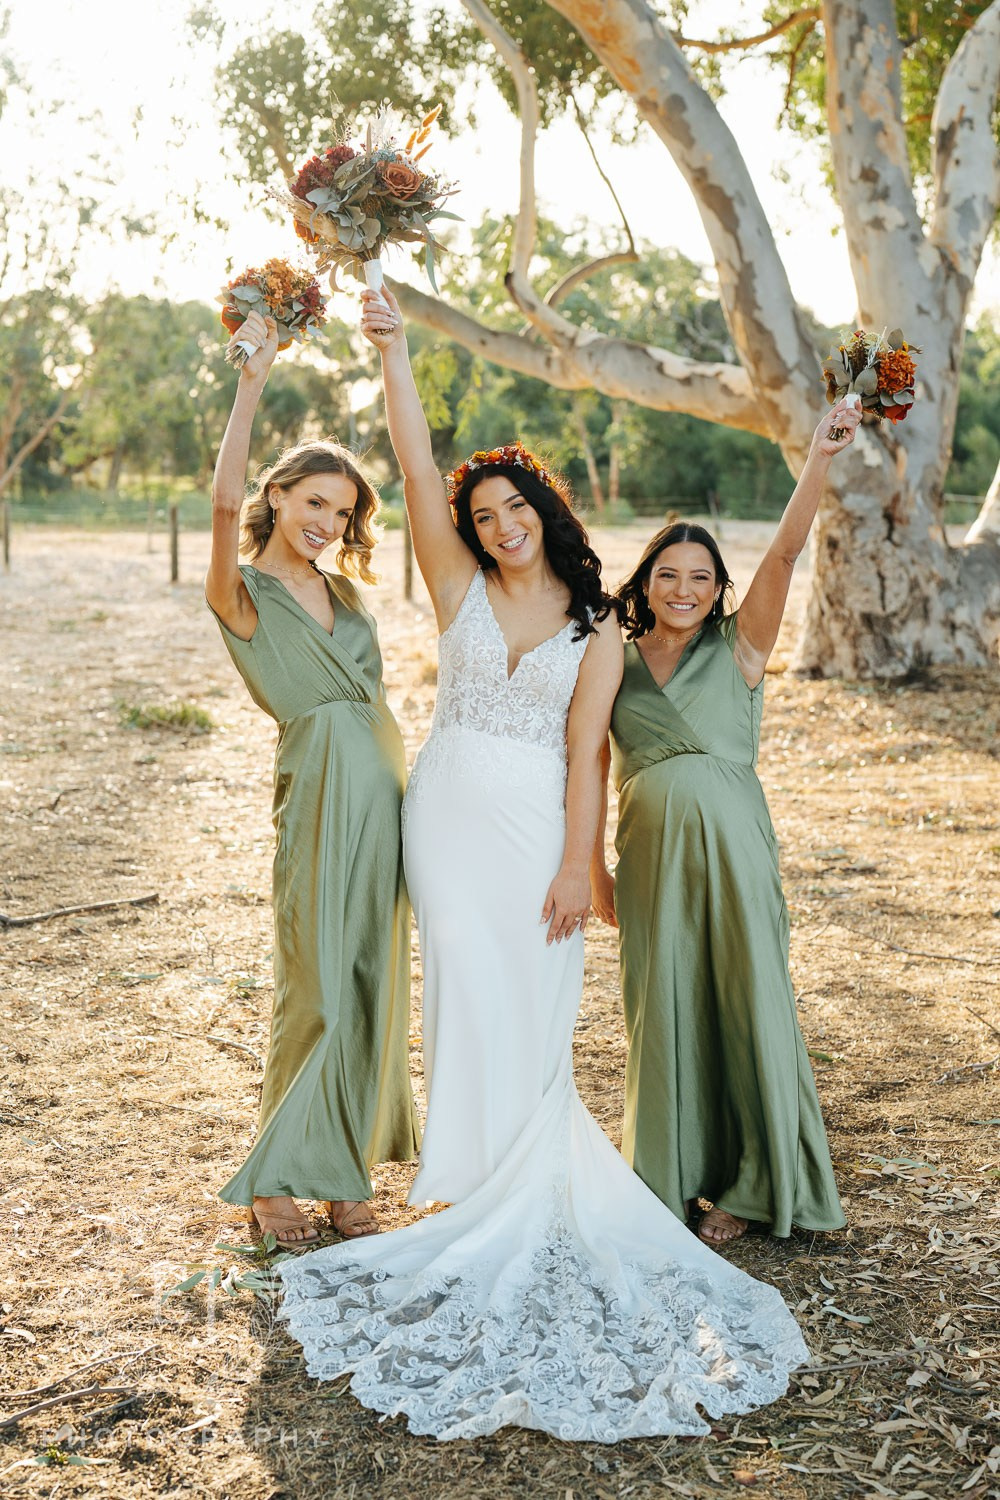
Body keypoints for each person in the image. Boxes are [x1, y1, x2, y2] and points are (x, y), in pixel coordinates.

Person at [276, 287, 809, 1443]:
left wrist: (581, 866)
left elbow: (588, 761)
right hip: (450, 813)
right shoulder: (458, 585)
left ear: (542, 509)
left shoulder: (597, 624)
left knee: (540, 999)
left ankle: (533, 1185)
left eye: (512, 505)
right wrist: (395, 349)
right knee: (465, 989)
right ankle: (466, 1182)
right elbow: (413, 468)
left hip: (538, 828)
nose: (497, 521)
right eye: (482, 511)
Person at [592, 401, 860, 1247]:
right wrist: (590, 867)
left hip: (736, 850)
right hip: (648, 856)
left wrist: (817, 454)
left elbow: (784, 551)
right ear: (644, 583)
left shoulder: (740, 649)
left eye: (701, 577)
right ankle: (666, 1179)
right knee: (662, 1004)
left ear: (718, 591)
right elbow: (587, 765)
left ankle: (750, 1186)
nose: (683, 589)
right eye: (668, 574)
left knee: (746, 998)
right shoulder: (614, 659)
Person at [205, 308, 419, 1245]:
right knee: (317, 985)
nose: (328, 525)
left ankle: (345, 1175)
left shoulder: (346, 592)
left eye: (342, 512)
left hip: (386, 795)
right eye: (314, 504)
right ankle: (277, 1177)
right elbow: (219, 508)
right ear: (279, 495)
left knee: (371, 982)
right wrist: (252, 382)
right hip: (319, 796)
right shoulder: (240, 590)